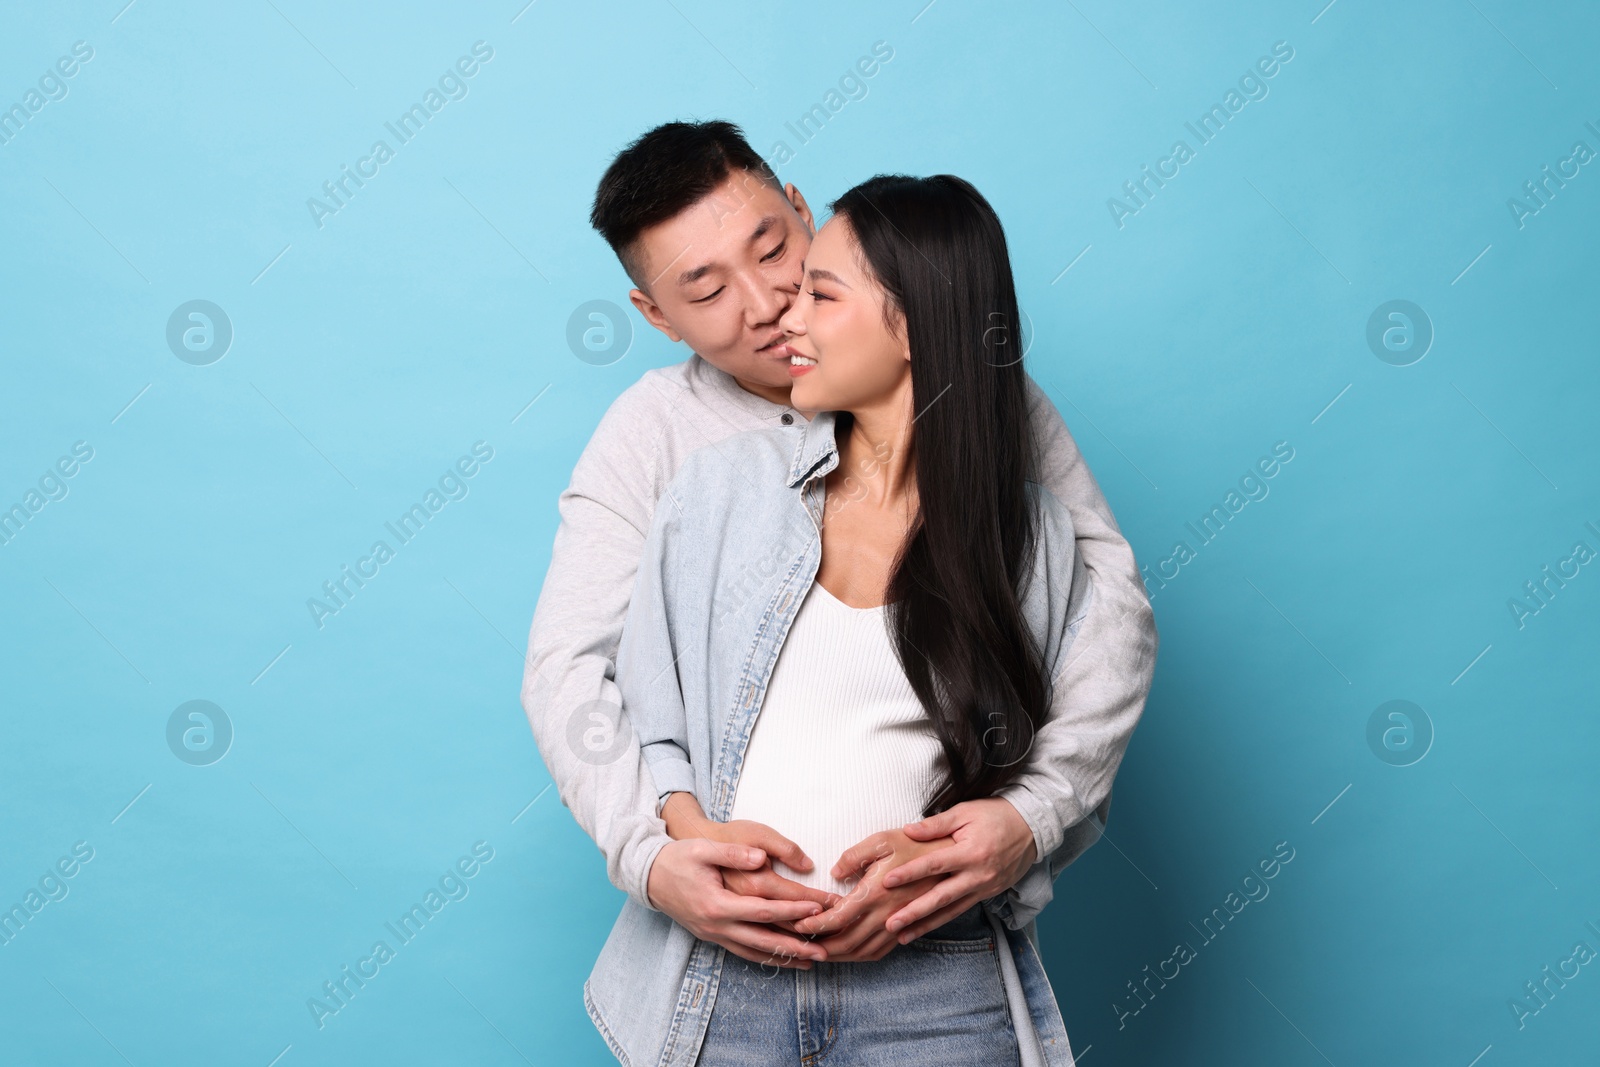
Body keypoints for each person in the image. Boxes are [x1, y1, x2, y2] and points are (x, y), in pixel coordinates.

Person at [519, 122, 1158, 1062]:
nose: (769, 302)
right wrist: (655, 855)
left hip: (935, 969)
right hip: (723, 977)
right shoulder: (667, 446)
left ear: (805, 216)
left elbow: (1109, 612)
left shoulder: (981, 401)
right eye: (705, 289)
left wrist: (1035, 813)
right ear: (657, 316)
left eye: (777, 250)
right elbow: (569, 672)